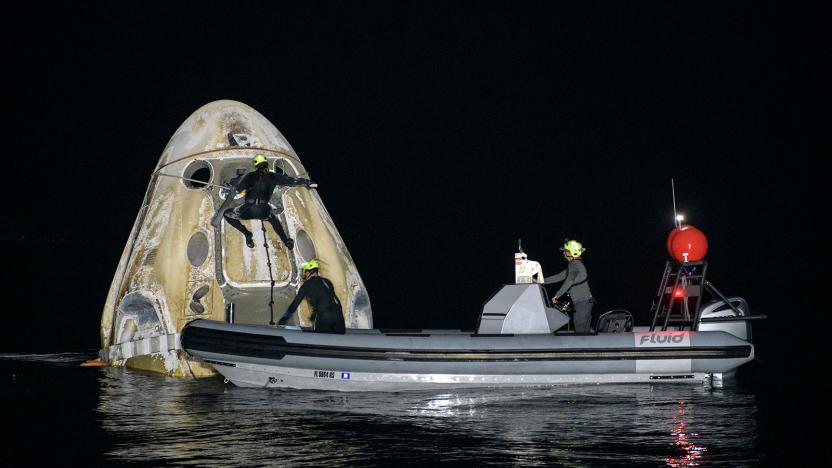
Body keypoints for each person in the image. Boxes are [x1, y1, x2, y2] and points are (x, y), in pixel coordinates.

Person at [213, 154, 312, 249]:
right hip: (263, 211)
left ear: (256, 165)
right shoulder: (274, 176)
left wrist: (232, 189)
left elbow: (237, 190)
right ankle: (286, 241)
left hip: (247, 210)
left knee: (227, 214)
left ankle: (247, 234)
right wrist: (305, 182)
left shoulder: (250, 176)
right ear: (266, 163)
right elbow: (291, 182)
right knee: (273, 220)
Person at [278, 259, 345, 333]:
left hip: (324, 316)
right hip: (339, 315)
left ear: (308, 272)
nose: (305, 275)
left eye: (305, 272)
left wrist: (284, 318)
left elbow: (295, 304)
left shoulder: (307, 285)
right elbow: (327, 299)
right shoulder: (327, 282)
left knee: (318, 339)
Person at [544, 239, 594, 333]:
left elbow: (569, 280)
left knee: (581, 334)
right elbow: (559, 276)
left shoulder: (575, 264)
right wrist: (540, 281)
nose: (563, 253)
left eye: (565, 251)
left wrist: (557, 295)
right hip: (584, 303)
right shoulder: (575, 265)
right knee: (585, 333)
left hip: (582, 304)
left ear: (571, 253)